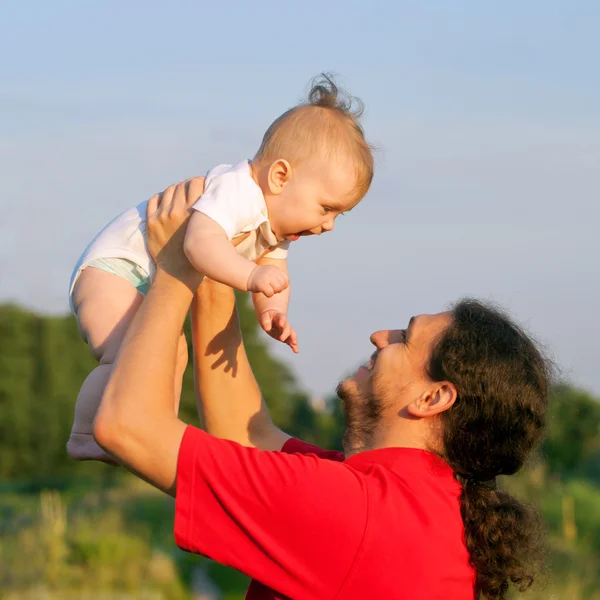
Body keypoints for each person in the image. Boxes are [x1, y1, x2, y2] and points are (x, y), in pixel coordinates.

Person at [93, 179, 550, 599]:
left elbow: (126, 426)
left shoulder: (358, 512)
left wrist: (173, 269)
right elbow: (246, 436)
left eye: (404, 338)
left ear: (433, 397)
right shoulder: (409, 502)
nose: (379, 336)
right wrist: (215, 259)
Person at [67, 74, 374, 463]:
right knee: (125, 354)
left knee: (169, 352)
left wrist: (274, 312)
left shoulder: (275, 226)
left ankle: (148, 429)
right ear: (280, 177)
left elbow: (275, 272)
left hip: (145, 281)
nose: (328, 224)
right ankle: (84, 434)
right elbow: (198, 245)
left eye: (339, 216)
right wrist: (249, 276)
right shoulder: (237, 192)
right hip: (114, 270)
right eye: (327, 207)